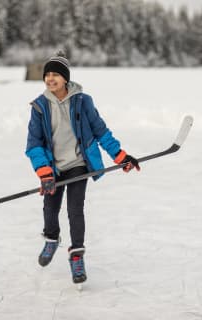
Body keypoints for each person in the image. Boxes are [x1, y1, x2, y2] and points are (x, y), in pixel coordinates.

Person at [25, 52, 140, 284]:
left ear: (65, 78)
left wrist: (120, 156)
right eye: (47, 74)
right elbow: (34, 144)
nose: (50, 78)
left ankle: (76, 254)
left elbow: (101, 132)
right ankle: (51, 239)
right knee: (50, 207)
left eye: (55, 74)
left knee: (75, 208)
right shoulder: (39, 107)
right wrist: (44, 172)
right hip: (53, 168)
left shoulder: (83, 101)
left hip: (79, 165)